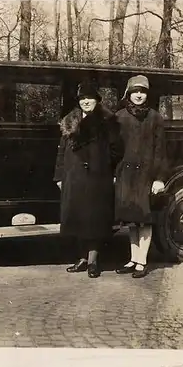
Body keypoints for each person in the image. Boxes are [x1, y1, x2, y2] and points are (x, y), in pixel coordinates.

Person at [54, 81, 124, 278]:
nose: (86, 101)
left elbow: (117, 150)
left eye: (89, 98)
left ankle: (93, 261)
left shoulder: (107, 122)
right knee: (77, 220)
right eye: (82, 98)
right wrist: (60, 176)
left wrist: (105, 167)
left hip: (97, 178)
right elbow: (61, 152)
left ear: (97, 100)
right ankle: (82, 258)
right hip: (73, 178)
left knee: (94, 221)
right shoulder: (70, 121)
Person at [114, 75, 168, 278]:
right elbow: (114, 149)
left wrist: (159, 178)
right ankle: (133, 258)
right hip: (126, 175)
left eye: (142, 92)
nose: (139, 95)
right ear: (128, 94)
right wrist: (114, 173)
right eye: (135, 91)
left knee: (144, 219)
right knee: (131, 220)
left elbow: (161, 150)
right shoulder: (119, 117)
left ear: (147, 94)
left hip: (146, 175)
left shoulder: (155, 118)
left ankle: (142, 261)